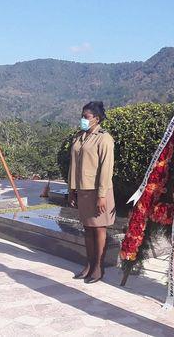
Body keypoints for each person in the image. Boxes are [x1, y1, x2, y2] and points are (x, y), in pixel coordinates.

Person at [67, 101, 115, 284]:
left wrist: (102, 195)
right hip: (83, 189)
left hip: (98, 191)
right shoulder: (80, 137)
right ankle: (89, 264)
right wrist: (71, 190)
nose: (83, 120)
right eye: (82, 116)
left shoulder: (104, 138)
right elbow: (73, 165)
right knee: (87, 229)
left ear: (96, 118)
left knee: (99, 229)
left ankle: (98, 268)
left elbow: (106, 169)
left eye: (86, 117)